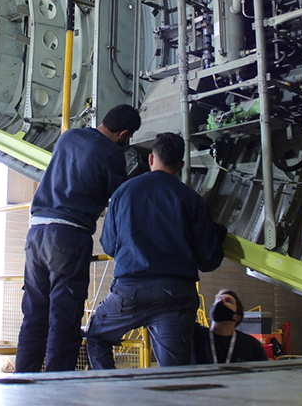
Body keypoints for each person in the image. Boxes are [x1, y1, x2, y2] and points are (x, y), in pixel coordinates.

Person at [15, 104, 142, 373]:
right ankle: (58, 388)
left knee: (34, 315)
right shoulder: (111, 153)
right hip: (68, 237)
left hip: (36, 233)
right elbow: (119, 198)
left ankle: (22, 381)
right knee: (64, 318)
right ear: (124, 134)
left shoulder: (68, 136)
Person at [84, 132, 227, 369]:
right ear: (181, 165)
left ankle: (111, 390)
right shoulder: (192, 200)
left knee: (96, 336)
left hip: (130, 292)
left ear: (151, 159)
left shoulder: (123, 193)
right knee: (173, 372)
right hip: (176, 295)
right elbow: (209, 260)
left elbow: (108, 246)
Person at [193, 289, 269, 364]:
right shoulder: (195, 335)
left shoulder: (251, 345)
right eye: (218, 299)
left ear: (237, 317)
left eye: (228, 300)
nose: (220, 301)